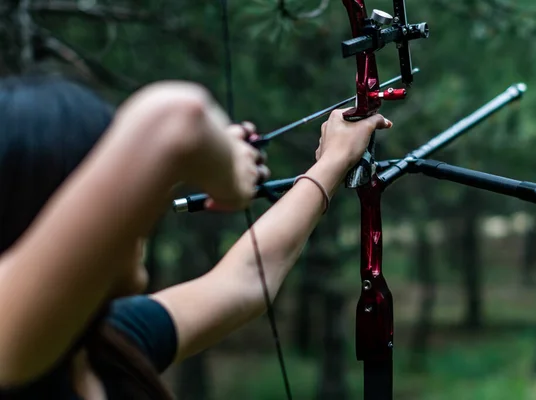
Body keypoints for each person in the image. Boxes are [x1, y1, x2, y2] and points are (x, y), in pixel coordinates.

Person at [0, 74, 393, 399]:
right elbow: (176, 118)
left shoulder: (107, 343)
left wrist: (331, 163)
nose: (138, 214)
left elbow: (246, 279)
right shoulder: (12, 353)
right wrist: (228, 175)